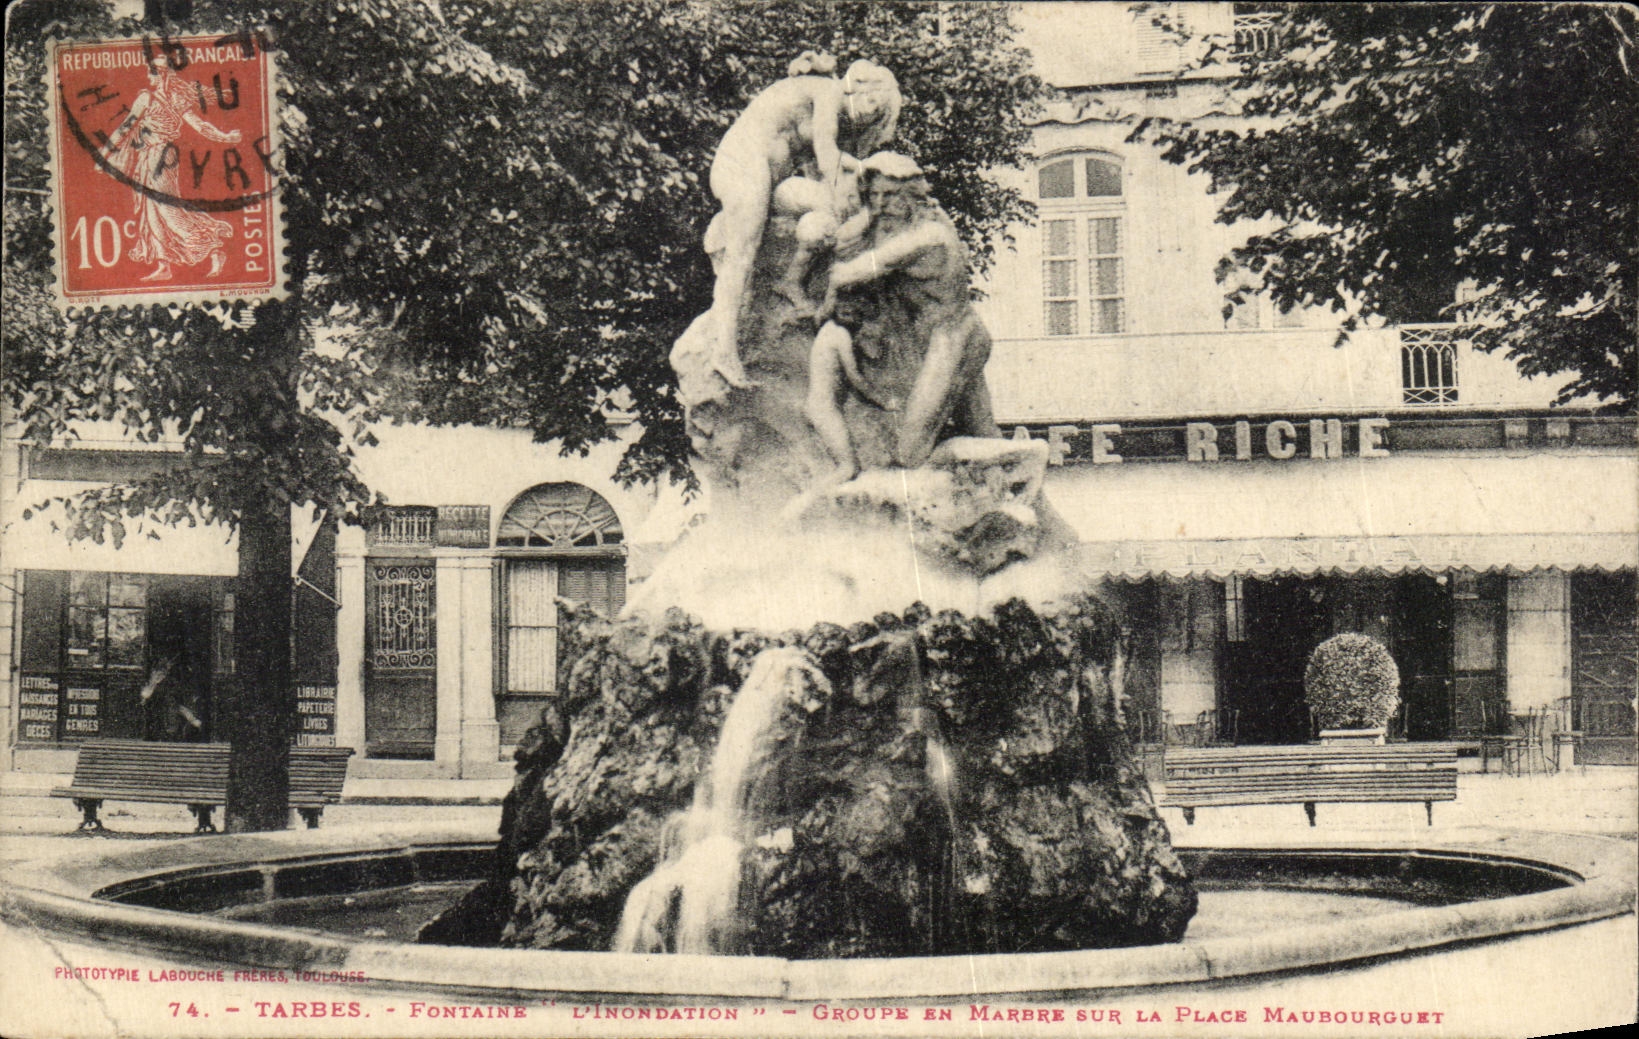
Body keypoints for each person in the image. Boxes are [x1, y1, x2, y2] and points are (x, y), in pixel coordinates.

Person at [703, 58, 902, 387]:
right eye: (871, 103)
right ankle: (723, 350)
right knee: (742, 256)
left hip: (772, 182)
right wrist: (864, 175)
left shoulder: (829, 109)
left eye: (876, 113)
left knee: (825, 213)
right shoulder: (827, 91)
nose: (868, 115)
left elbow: (831, 167)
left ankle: (792, 282)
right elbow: (827, 157)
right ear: (860, 86)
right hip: (743, 163)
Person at [806, 153, 998, 480]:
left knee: (911, 452)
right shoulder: (900, 225)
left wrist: (824, 305)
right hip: (926, 341)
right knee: (983, 430)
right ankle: (1023, 487)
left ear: (911, 196)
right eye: (875, 195)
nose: (881, 204)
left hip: (953, 338)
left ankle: (975, 482)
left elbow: (848, 272)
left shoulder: (926, 237)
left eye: (891, 195)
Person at [100, 52, 242, 282]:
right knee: (151, 210)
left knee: (168, 209)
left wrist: (226, 137)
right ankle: (163, 265)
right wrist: (103, 154)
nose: (149, 76)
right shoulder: (148, 98)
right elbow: (125, 128)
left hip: (161, 156)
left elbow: (200, 126)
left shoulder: (169, 98)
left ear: (164, 75)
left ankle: (213, 247)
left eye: (153, 72)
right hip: (148, 156)